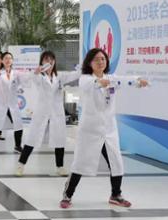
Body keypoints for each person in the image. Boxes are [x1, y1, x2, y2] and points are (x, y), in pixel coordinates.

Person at [60, 49, 149, 209]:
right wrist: (100, 82)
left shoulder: (111, 78)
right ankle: (67, 195)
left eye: (103, 59)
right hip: (90, 129)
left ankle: (116, 195)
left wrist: (138, 81)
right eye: (96, 59)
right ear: (89, 63)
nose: (100, 62)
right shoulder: (85, 79)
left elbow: (124, 80)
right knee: (80, 162)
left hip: (108, 129)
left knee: (116, 162)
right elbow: (92, 84)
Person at [17, 51, 81, 177]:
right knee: (32, 138)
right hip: (42, 112)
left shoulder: (59, 76)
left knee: (59, 139)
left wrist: (81, 69)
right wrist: (36, 72)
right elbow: (31, 78)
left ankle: (60, 167)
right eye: (46, 59)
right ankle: (20, 165)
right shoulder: (39, 77)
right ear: (42, 62)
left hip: (56, 112)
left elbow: (73, 75)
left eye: (51, 59)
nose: (49, 62)